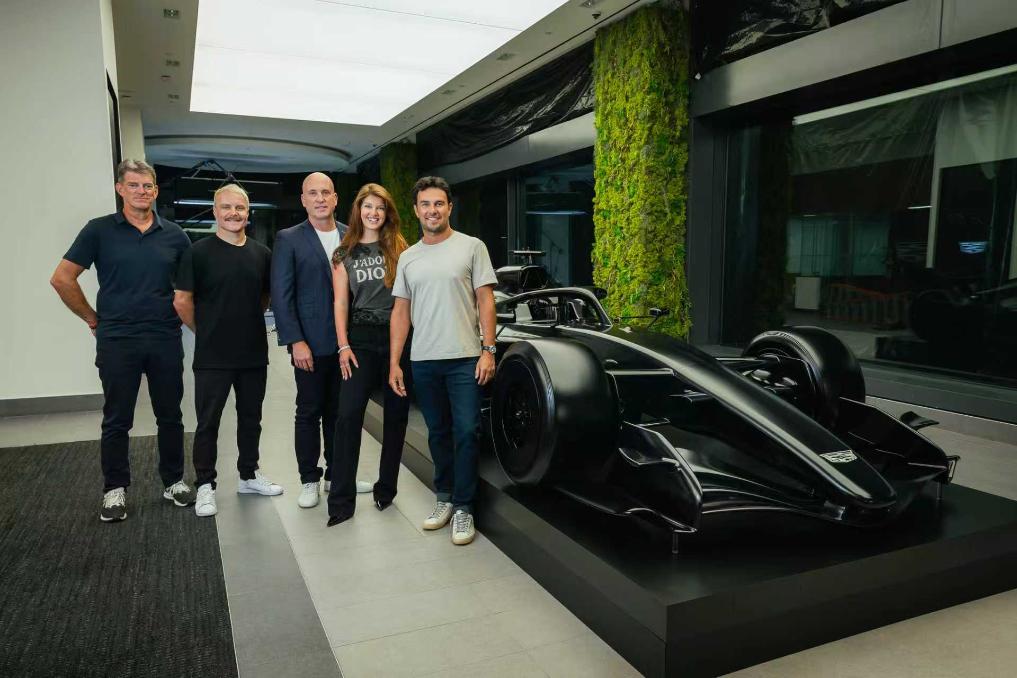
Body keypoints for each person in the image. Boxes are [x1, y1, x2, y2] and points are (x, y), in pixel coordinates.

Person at [50, 159, 195, 522]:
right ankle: (114, 489)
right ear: (120, 189)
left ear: (155, 190)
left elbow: (191, 288)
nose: (141, 192)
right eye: (133, 185)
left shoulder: (175, 235)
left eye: (147, 186)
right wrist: (91, 317)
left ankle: (173, 481)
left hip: (164, 336)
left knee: (171, 415)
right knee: (117, 418)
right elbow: (62, 278)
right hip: (117, 339)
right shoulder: (98, 231)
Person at [389, 176, 498, 545]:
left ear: (450, 207)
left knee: (466, 431)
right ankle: (445, 497)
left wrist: (488, 349)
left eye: (438, 203)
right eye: (425, 204)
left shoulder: (472, 247)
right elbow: (401, 312)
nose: (432, 210)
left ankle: (464, 507)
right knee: (437, 433)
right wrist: (394, 362)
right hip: (424, 360)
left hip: (465, 358)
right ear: (416, 210)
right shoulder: (408, 257)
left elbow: (485, 300)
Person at [173, 183, 283, 517]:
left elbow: (264, 297)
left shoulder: (262, 254)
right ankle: (205, 484)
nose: (233, 213)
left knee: (252, 418)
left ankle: (248, 475)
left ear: (248, 213)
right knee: (208, 422)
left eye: (240, 208)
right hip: (212, 356)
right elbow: (182, 301)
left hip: (253, 352)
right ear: (215, 211)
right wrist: (205, 330)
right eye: (226, 207)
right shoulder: (197, 252)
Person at [271, 172, 371, 509]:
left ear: (336, 198)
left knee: (340, 412)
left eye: (326, 192)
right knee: (309, 411)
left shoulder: (352, 235)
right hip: (310, 344)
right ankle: (309, 479)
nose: (320, 199)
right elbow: (281, 295)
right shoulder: (289, 238)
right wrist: (295, 340)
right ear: (303, 200)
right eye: (313, 193)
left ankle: (337, 476)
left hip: (348, 344)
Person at [327, 184, 411, 526]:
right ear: (358, 211)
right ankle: (340, 501)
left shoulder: (400, 248)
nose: (373, 213)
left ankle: (385, 490)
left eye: (380, 207)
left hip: (398, 338)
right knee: (347, 416)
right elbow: (340, 302)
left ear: (387, 212)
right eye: (368, 207)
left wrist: (397, 357)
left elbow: (407, 301)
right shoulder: (343, 253)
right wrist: (343, 345)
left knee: (396, 417)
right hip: (360, 340)